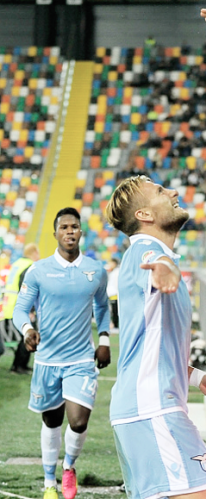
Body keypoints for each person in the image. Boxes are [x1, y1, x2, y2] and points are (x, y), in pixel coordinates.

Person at [105, 175, 206, 499]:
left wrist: (197, 378)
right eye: (162, 191)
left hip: (148, 409)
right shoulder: (146, 252)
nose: (174, 192)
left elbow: (152, 348)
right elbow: (155, 263)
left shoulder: (148, 255)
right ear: (144, 215)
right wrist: (167, 267)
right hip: (154, 411)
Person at [13, 207, 111, 499]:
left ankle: (68, 468)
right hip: (46, 360)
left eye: (75, 227)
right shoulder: (39, 270)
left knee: (79, 421)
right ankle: (48, 482)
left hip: (80, 359)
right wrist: (28, 331)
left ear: (81, 231)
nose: (70, 231)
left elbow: (103, 307)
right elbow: (20, 309)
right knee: (52, 421)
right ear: (55, 233)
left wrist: (103, 338)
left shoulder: (95, 271)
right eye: (64, 227)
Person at [3, 242, 40, 374]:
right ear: (34, 253)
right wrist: (29, 310)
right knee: (28, 335)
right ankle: (19, 366)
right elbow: (25, 288)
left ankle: (18, 365)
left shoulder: (17, 263)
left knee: (21, 338)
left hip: (9, 305)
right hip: (20, 308)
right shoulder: (28, 266)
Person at [105, 258, 120, 331]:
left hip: (115, 294)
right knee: (112, 311)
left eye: (111, 263)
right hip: (110, 294)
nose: (109, 265)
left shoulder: (117, 272)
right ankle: (113, 325)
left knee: (115, 311)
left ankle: (116, 326)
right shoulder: (111, 271)